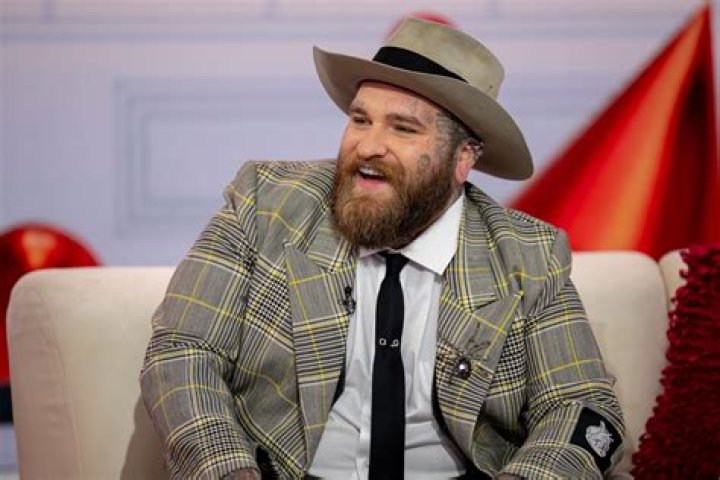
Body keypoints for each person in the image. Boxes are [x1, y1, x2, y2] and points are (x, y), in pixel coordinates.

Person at [140, 17, 625, 479]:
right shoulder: (265, 202)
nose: (369, 146)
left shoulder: (528, 254)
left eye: (403, 128)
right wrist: (229, 469)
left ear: (462, 159)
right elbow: (183, 351)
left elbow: (582, 404)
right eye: (360, 119)